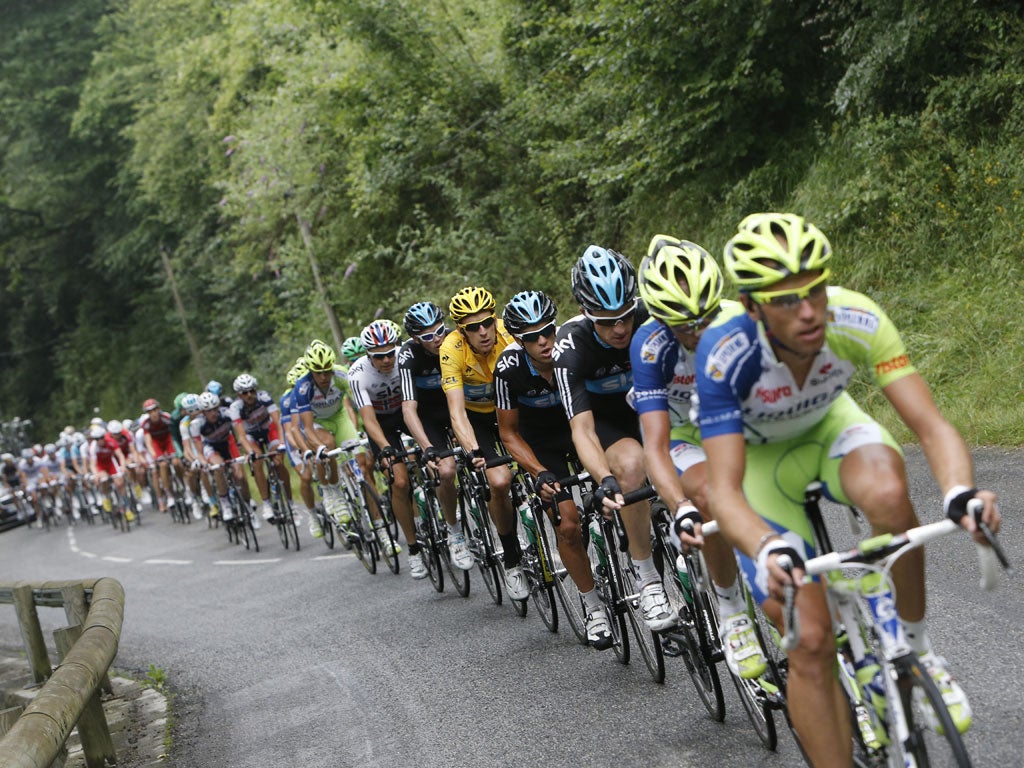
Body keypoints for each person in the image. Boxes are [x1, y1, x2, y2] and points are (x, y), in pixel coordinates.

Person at [694, 212, 1001, 765]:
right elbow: (725, 491)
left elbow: (930, 426)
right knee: (810, 642)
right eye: (786, 300)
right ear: (752, 307)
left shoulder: (856, 316)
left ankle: (916, 646)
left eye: (813, 291)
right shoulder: (723, 354)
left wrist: (960, 492)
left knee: (887, 494)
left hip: (833, 429)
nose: (809, 311)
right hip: (763, 467)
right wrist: (767, 546)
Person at [630, 235, 766, 676]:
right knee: (709, 496)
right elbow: (654, 444)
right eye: (686, 325)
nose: (700, 331)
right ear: (661, 318)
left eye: (706, 317)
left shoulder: (738, 321)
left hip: (732, 421)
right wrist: (680, 505)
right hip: (683, 436)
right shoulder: (650, 345)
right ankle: (731, 610)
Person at [553, 245, 677, 632]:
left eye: (624, 316)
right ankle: (648, 578)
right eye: (606, 321)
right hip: (607, 421)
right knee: (631, 466)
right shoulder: (570, 345)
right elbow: (582, 429)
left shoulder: (652, 315)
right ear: (587, 314)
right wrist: (604, 478)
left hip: (652, 407)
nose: (620, 328)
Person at [495, 290, 610, 645]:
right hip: (541, 444)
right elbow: (508, 433)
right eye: (532, 337)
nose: (544, 341)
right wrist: (536, 471)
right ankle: (593, 608)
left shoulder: (572, 351)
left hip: (582, 428)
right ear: (518, 339)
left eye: (548, 330)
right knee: (568, 525)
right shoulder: (508, 369)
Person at [440, 286, 528, 600]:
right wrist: (472, 450)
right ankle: (512, 559)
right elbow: (456, 411)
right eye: (473, 327)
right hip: (477, 418)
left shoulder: (509, 333)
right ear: (461, 331)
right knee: (500, 481)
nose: (483, 332)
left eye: (487, 323)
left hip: (513, 408)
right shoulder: (451, 349)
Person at [399, 301, 473, 570]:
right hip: (428, 417)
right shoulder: (408, 356)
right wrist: (426, 446)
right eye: (428, 336)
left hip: (457, 408)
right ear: (415, 339)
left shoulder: (455, 343)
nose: (437, 338)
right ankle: (454, 531)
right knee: (446, 470)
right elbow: (408, 409)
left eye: (440, 330)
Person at [348, 320, 414, 569]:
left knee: (436, 461)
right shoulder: (358, 374)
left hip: (408, 414)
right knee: (399, 481)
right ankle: (413, 544)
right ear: (368, 355)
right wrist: (385, 447)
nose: (387, 360)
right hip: (381, 424)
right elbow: (368, 420)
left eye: (389, 353)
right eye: (379, 356)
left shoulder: (405, 357)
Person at [291, 339, 362, 524]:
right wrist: (319, 447)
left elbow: (360, 403)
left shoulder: (341, 374)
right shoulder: (303, 386)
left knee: (361, 461)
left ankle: (376, 520)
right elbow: (306, 427)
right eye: (318, 372)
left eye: (327, 371)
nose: (324, 376)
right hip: (317, 422)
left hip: (339, 417)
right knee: (328, 444)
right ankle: (334, 491)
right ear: (311, 371)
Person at [229, 373, 290, 523]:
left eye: (252, 391)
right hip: (251, 436)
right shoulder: (235, 408)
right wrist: (250, 453)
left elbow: (278, 423)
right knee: (256, 462)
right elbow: (241, 437)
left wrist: (282, 443)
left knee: (278, 461)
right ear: (239, 395)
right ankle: (267, 503)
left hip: (269, 430)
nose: (249, 395)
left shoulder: (264, 397)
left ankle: (290, 503)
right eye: (245, 393)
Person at [191, 391, 255, 526]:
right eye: (208, 411)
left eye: (215, 409)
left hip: (228, 443)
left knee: (240, 476)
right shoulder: (197, 424)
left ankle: (248, 506)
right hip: (211, 447)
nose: (213, 413)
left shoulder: (228, 413)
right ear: (203, 412)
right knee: (219, 467)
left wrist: (248, 451)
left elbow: (240, 435)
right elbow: (200, 452)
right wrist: (204, 463)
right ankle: (225, 503)